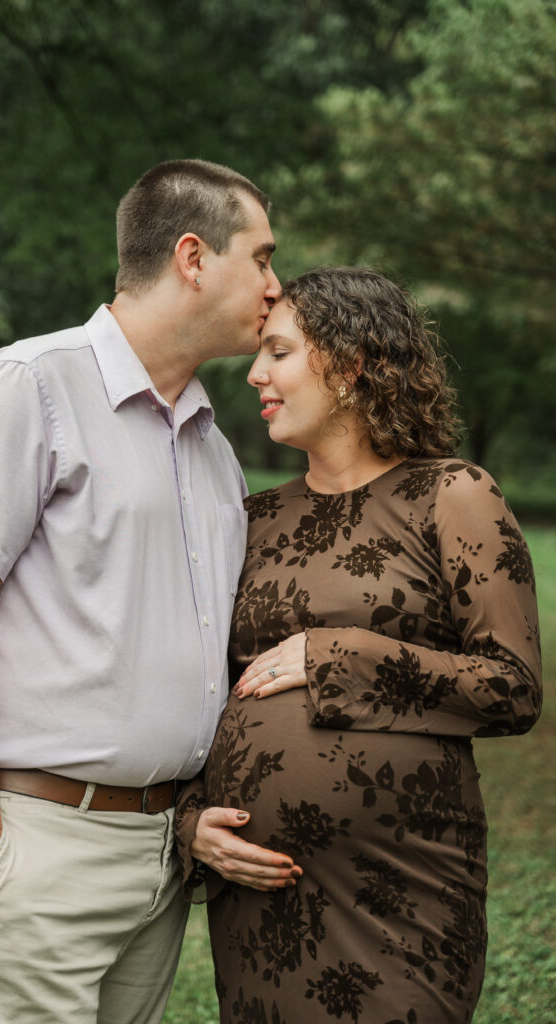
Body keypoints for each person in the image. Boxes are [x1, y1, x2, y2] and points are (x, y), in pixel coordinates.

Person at [0, 158, 295, 1024]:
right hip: (33, 845)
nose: (274, 285)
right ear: (193, 257)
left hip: (159, 856)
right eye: (260, 258)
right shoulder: (31, 387)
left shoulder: (211, 447)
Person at [175, 266, 542, 1023]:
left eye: (277, 353)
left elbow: (511, 687)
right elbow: (197, 693)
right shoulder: (250, 517)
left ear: (349, 365)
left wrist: (336, 654)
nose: (253, 374)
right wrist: (190, 821)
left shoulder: (452, 495)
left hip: (399, 886)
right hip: (259, 900)